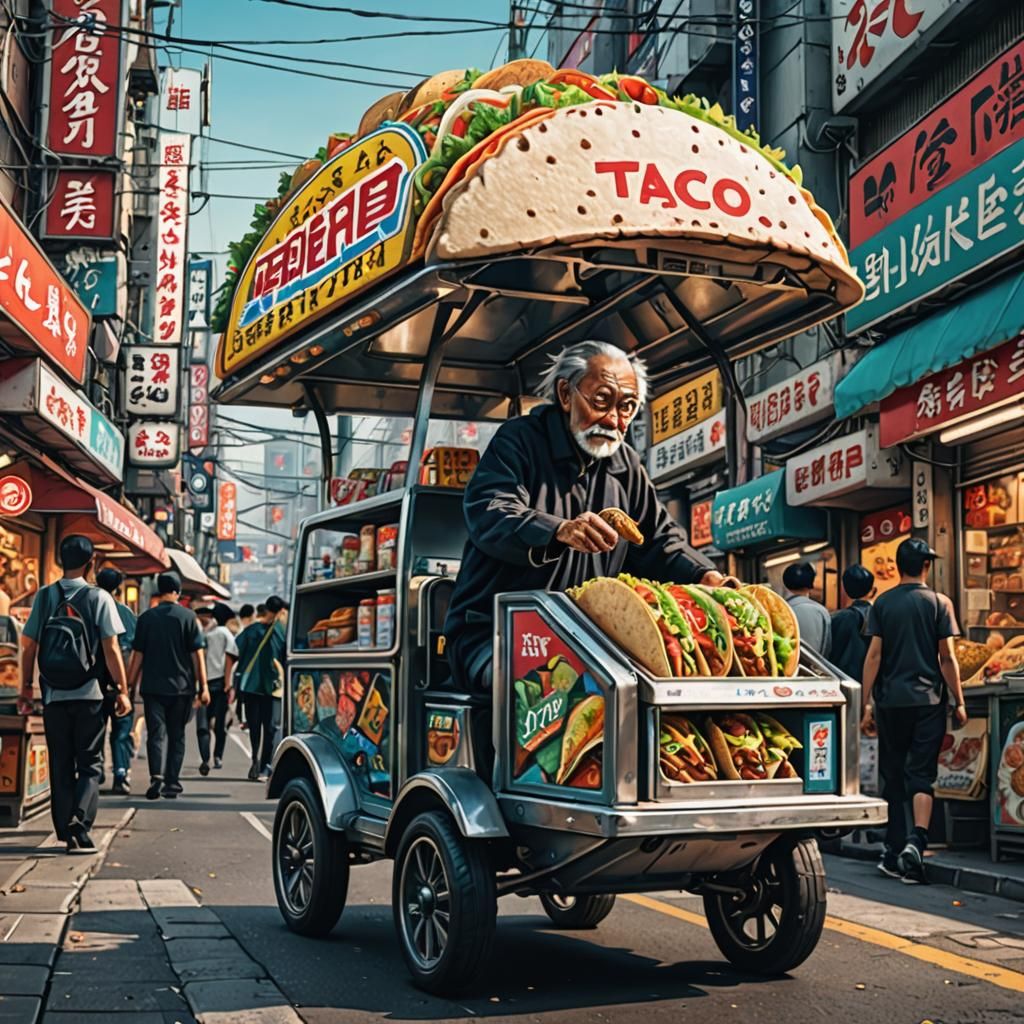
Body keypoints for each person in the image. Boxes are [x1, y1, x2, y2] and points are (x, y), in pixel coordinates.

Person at [445, 340, 732, 692]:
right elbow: (491, 510)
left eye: (627, 407)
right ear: (565, 394)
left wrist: (707, 575)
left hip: (588, 642)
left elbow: (659, 540)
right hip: (495, 634)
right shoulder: (519, 441)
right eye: (601, 401)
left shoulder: (626, 466)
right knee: (550, 690)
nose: (613, 419)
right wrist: (558, 531)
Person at [860, 538, 968, 885]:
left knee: (893, 776)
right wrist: (960, 699)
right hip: (928, 703)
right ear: (926, 566)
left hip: (890, 702)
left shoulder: (882, 604)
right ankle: (916, 843)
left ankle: (893, 853)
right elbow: (947, 657)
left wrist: (865, 704)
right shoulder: (939, 603)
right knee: (921, 774)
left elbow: (874, 656)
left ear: (898, 564)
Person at [17, 536, 131, 853]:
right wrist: (122, 690)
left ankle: (64, 830)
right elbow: (110, 649)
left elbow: (29, 647)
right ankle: (80, 825)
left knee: (60, 763)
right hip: (90, 695)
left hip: (54, 696)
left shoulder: (45, 596)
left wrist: (26, 687)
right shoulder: (99, 598)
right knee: (91, 764)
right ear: (91, 562)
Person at [128, 572, 209, 800]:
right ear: (177, 592)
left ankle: (156, 777)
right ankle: (172, 782)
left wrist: (130, 685)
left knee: (155, 734)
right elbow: (197, 655)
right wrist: (203, 686)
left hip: (152, 687)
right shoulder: (188, 617)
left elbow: (137, 655)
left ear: (158, 591)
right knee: (177, 734)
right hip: (182, 688)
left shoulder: (146, 618)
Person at [95, 568, 137, 794]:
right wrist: (127, 685)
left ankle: (97, 769)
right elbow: (134, 651)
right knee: (121, 731)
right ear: (118, 588)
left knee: (96, 727)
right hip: (120, 683)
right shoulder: (127, 614)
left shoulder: (89, 609)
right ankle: (120, 773)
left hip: (93, 681)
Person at [235, 596, 287, 780]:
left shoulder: (250, 631)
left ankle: (255, 759)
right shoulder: (282, 632)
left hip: (250, 687)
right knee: (271, 728)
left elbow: (237, 652)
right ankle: (265, 766)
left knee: (255, 726)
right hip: (273, 689)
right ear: (281, 611)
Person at [194, 604, 237, 772]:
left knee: (203, 725)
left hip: (204, 683)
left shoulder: (207, 634)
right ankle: (218, 756)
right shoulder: (227, 634)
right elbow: (230, 659)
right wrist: (229, 683)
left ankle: (205, 758)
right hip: (221, 684)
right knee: (220, 725)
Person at [830, 565, 875, 683]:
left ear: (844, 588)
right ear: (872, 589)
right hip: (875, 684)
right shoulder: (880, 615)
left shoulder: (838, 618)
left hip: (843, 681)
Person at [783, 561, 831, 658]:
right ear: (811, 584)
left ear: (786, 583)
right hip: (815, 669)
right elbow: (827, 647)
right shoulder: (822, 612)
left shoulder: (782, 610)